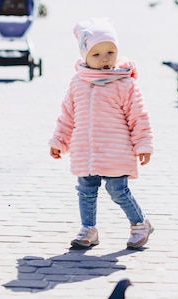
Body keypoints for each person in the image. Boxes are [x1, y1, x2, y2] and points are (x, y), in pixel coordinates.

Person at [49, 17, 155, 250]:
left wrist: (143, 144)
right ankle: (89, 229)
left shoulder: (125, 84)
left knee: (117, 190)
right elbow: (67, 115)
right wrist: (59, 140)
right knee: (86, 190)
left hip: (115, 150)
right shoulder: (78, 82)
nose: (105, 58)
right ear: (84, 56)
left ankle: (140, 224)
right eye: (96, 54)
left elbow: (138, 116)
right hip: (85, 151)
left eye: (110, 51)